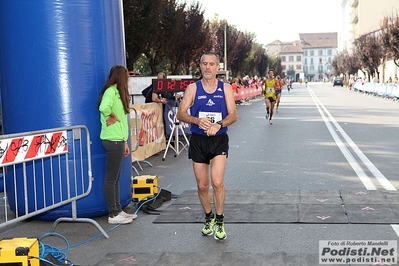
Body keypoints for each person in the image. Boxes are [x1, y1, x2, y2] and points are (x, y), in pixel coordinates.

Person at [176, 52, 237, 240]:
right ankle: (209, 216)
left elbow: (233, 115)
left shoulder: (225, 88)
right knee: (203, 186)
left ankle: (219, 219)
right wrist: (197, 120)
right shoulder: (192, 89)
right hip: (198, 141)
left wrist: (219, 125)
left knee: (217, 182)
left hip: (218, 140)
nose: (208, 67)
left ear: (218, 67)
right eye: (205, 64)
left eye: (212, 64)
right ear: (200, 66)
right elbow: (180, 113)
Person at [98, 65, 137, 224]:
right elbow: (103, 107)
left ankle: (117, 209)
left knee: (115, 177)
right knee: (111, 178)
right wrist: (113, 116)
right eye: (126, 76)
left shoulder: (117, 93)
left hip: (118, 139)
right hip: (112, 139)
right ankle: (113, 214)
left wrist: (125, 142)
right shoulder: (111, 92)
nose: (127, 79)